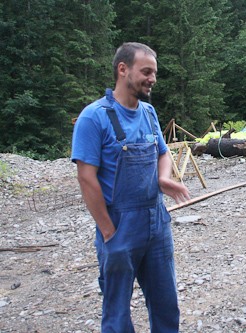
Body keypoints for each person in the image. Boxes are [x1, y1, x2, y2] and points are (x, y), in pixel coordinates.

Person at [71, 42, 189, 332]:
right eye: (146, 71)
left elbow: (162, 152)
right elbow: (86, 177)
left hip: (156, 223)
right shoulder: (93, 117)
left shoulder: (149, 112)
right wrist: (108, 230)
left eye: (155, 73)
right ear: (122, 69)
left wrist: (163, 178)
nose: (153, 79)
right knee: (117, 313)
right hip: (119, 226)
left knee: (166, 305)